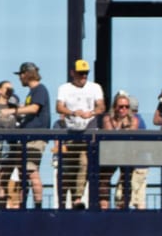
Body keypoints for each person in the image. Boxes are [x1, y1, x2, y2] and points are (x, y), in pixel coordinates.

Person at [54, 59, 103, 208]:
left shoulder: (95, 87)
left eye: (86, 73)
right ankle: (62, 202)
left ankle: (77, 198)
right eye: (80, 73)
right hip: (69, 133)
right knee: (67, 167)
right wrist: (74, 112)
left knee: (83, 162)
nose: (83, 76)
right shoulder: (64, 88)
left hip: (87, 132)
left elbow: (101, 106)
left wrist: (91, 113)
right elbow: (59, 107)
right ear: (73, 73)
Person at [11, 61, 52, 208]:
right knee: (24, 173)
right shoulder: (32, 92)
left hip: (35, 138)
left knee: (32, 171)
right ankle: (23, 204)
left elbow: (34, 109)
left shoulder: (40, 89)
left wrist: (13, 111)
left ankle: (38, 206)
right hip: (27, 138)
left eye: (21, 75)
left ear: (26, 74)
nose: (20, 78)